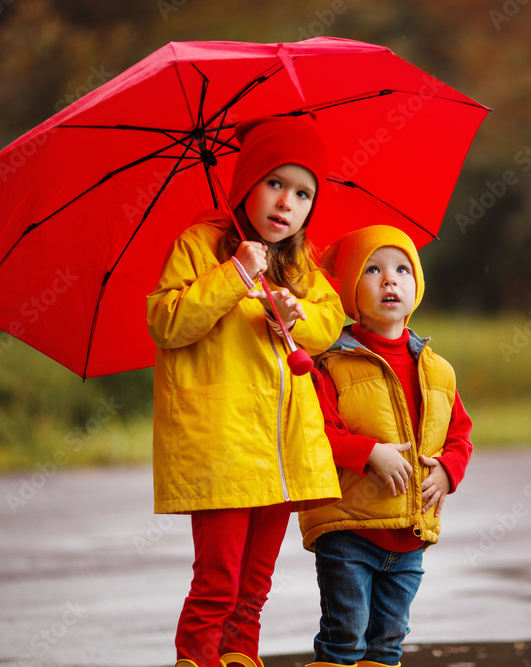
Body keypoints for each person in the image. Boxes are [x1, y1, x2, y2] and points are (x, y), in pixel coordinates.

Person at [146, 116, 345, 667]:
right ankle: (198, 658)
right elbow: (167, 321)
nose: (287, 202)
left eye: (303, 193)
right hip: (223, 445)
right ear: (246, 184)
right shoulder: (200, 245)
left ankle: (241, 658)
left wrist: (293, 315)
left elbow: (328, 323)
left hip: (280, 451)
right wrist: (234, 272)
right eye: (275, 183)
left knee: (254, 589)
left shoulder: (298, 263)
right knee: (219, 580)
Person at [298, 225, 474, 667]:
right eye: (372, 270)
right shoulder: (331, 363)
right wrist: (368, 452)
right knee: (346, 633)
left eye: (401, 269)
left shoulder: (438, 370)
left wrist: (449, 470)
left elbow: (460, 434)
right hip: (348, 529)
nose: (389, 280)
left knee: (389, 640)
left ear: (417, 286)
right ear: (350, 291)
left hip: (411, 532)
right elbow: (317, 432)